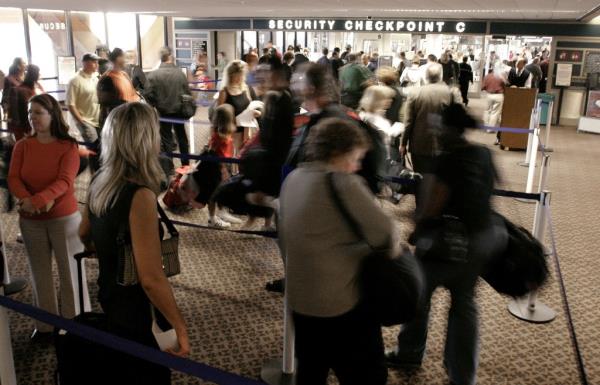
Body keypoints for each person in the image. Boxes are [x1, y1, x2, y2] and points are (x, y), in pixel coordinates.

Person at [386, 104, 505, 385]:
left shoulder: (447, 160)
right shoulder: (483, 153)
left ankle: (409, 351)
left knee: (420, 296)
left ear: (446, 129)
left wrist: (417, 231)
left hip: (445, 244)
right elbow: (490, 191)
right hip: (480, 238)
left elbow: (433, 206)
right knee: (464, 304)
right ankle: (463, 375)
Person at [280, 117, 399, 385]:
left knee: (311, 372)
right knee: (368, 376)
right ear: (337, 153)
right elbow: (387, 235)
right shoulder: (344, 183)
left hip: (301, 302)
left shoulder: (293, 179)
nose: (357, 166)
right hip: (341, 304)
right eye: (355, 158)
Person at [79, 102, 190, 384]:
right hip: (136, 308)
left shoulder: (99, 183)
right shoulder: (139, 196)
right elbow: (151, 278)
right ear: (144, 140)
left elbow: (83, 234)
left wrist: (105, 250)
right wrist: (179, 325)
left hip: (109, 292)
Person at [8, 94, 84, 340]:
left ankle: (75, 324)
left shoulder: (68, 146)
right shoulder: (22, 145)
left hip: (64, 219)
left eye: (39, 112)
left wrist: (38, 200)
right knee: (39, 273)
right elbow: (14, 178)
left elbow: (64, 181)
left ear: (52, 115)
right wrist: (27, 201)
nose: (33, 118)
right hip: (31, 220)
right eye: (31, 113)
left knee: (70, 272)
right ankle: (45, 326)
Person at [401, 63, 453, 210]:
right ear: (441, 76)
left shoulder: (416, 93)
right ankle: (437, 208)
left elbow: (408, 122)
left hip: (420, 143)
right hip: (443, 144)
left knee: (420, 177)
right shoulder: (450, 93)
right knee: (440, 178)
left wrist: (403, 143)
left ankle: (421, 208)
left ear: (425, 77)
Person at [145, 46, 193, 167]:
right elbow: (187, 92)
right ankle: (185, 165)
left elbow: (148, 94)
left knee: (166, 140)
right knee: (181, 137)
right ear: (170, 56)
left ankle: (169, 168)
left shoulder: (153, 75)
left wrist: (156, 104)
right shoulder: (180, 74)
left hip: (163, 112)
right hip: (178, 110)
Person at [217, 60, 259, 155]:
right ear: (230, 75)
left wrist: (255, 113)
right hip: (231, 133)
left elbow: (254, 105)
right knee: (233, 159)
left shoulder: (247, 88)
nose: (240, 78)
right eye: (237, 75)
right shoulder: (224, 92)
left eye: (241, 75)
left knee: (244, 157)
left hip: (247, 131)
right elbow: (220, 115)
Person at [97, 48, 139, 129]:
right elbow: (104, 102)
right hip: (115, 123)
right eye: (124, 57)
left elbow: (132, 94)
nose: (126, 60)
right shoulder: (107, 78)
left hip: (128, 120)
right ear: (118, 58)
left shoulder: (124, 75)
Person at [358, 85, 403, 160]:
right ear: (376, 100)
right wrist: (393, 131)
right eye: (386, 98)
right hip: (377, 159)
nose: (390, 100)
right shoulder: (367, 117)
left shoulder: (377, 113)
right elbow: (375, 139)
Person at [66, 53, 101, 144]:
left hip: (97, 120)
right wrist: (81, 122)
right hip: (86, 121)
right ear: (84, 63)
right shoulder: (75, 81)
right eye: (93, 62)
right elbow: (70, 104)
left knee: (101, 147)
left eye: (97, 62)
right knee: (95, 148)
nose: (96, 64)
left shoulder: (95, 78)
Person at [8, 64, 44, 140]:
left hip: (38, 125)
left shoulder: (38, 86)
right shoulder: (19, 90)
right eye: (39, 72)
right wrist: (25, 129)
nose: (40, 75)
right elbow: (17, 112)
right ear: (35, 74)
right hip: (25, 128)